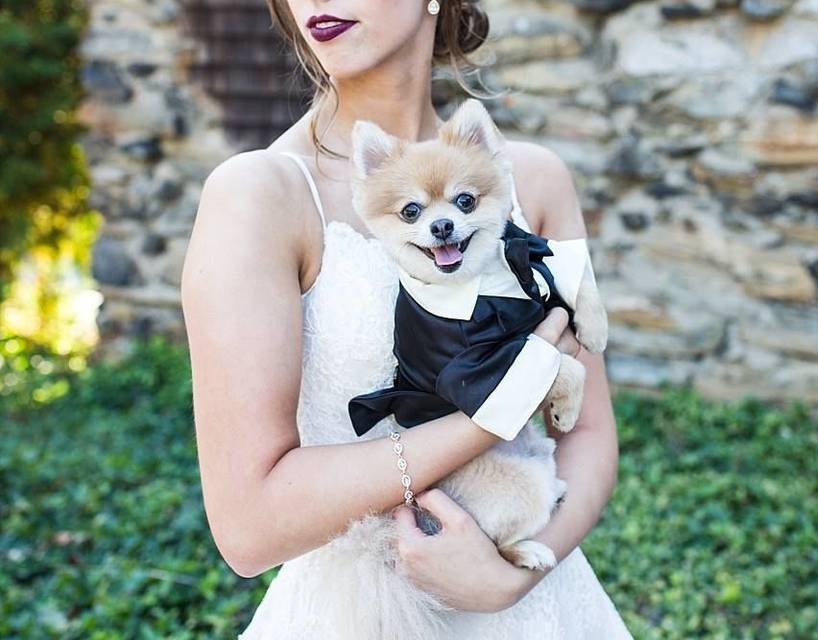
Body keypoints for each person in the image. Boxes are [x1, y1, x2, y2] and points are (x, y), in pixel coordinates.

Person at [179, 0, 632, 637]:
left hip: (539, 603)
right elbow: (248, 527)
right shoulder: (260, 196)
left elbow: (586, 436)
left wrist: (514, 577)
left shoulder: (535, 180)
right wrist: (494, 411)